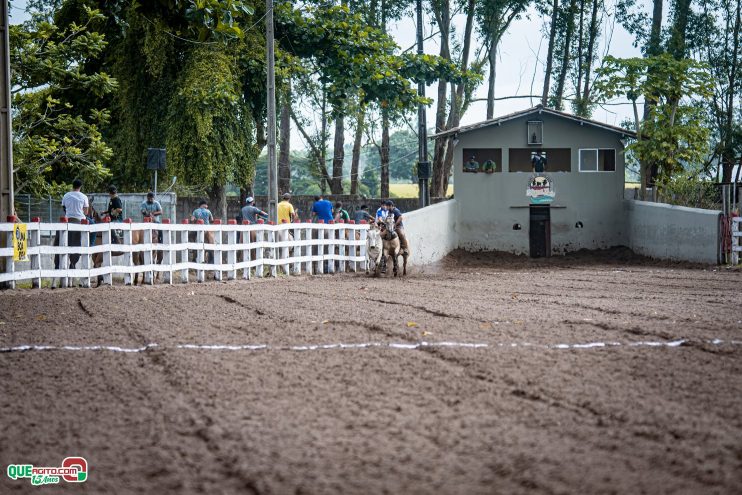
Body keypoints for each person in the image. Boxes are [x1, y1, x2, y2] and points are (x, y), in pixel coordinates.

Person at [54, 178, 89, 275]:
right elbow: (86, 212)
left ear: (72, 186)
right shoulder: (84, 196)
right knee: (93, 227)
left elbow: (64, 208)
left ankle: (57, 263)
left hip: (67, 220)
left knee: (58, 241)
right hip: (79, 221)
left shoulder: (66, 195)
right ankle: (91, 245)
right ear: (80, 187)